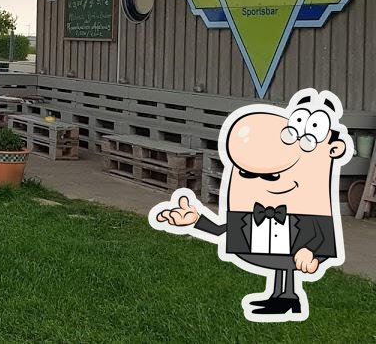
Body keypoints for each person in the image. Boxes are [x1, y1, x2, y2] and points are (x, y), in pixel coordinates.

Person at [151, 89, 353, 322]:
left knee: (285, 262)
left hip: (296, 248)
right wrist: (196, 220)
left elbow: (321, 236)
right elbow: (223, 231)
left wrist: (313, 254)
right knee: (280, 263)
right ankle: (282, 296)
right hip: (265, 243)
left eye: (272, 176)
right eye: (248, 174)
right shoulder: (252, 212)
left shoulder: (311, 213)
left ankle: (288, 297)